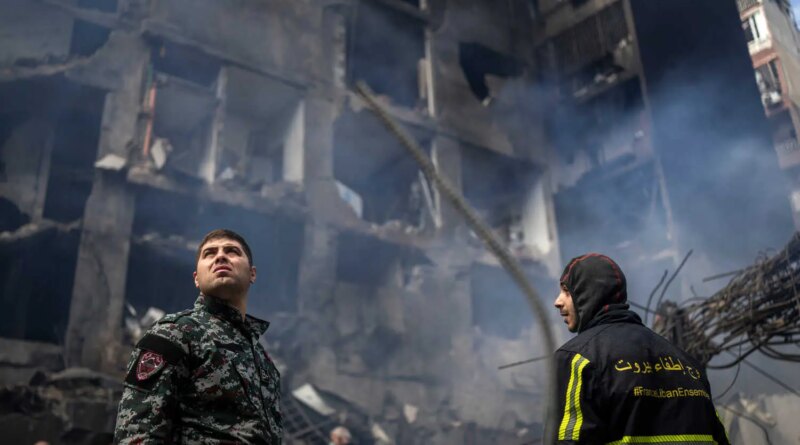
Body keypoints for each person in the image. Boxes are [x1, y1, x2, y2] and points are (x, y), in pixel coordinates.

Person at [114, 229, 282, 444]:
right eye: (209, 253)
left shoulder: (263, 362)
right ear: (196, 278)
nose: (220, 256)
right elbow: (137, 431)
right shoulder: (175, 333)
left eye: (232, 251)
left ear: (252, 274)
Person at [548, 253, 729, 444]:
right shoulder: (688, 365)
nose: (557, 302)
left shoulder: (578, 359)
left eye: (567, 291)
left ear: (588, 295)